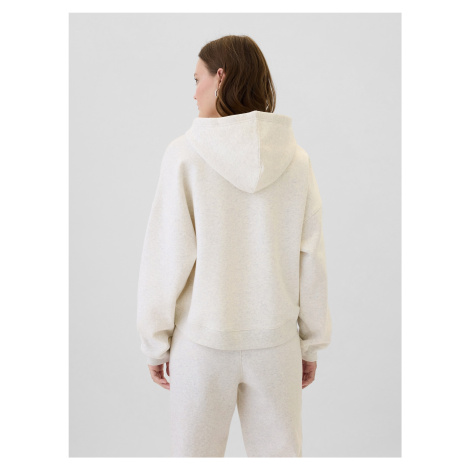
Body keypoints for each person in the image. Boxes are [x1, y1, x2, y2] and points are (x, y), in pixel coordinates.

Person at [136, 35, 332, 457]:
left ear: (220, 77)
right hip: (276, 345)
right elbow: (310, 257)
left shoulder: (184, 155)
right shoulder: (297, 160)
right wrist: (311, 341)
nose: (194, 93)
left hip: (202, 346)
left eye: (197, 79)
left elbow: (166, 255)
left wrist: (155, 340)